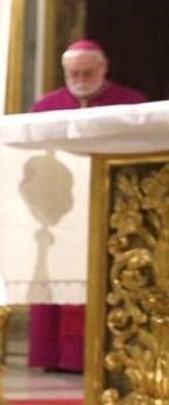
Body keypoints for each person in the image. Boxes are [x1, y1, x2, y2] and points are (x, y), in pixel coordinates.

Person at [27, 39, 147, 371]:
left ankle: (108, 355)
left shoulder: (130, 106)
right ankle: (54, 356)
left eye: (87, 72)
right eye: (73, 72)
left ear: (103, 69)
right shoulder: (45, 108)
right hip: (57, 212)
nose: (80, 78)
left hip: (113, 211)